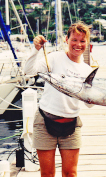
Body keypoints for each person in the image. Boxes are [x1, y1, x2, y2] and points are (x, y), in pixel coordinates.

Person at [24, 22, 93, 177]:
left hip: (71, 125)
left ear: (87, 43)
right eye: (74, 39)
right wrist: (35, 50)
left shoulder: (88, 71)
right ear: (66, 39)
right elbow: (28, 71)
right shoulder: (54, 58)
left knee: (71, 173)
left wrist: (94, 98)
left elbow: (89, 105)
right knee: (47, 174)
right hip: (45, 120)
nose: (78, 44)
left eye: (82, 41)